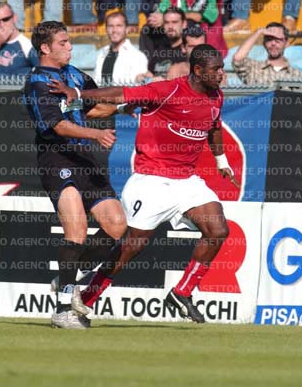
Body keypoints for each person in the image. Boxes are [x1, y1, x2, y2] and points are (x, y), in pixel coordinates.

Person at [47, 44, 238, 324]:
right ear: (197, 70)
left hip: (187, 180)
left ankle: (182, 292)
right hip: (152, 179)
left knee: (218, 229)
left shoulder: (216, 96)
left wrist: (221, 161)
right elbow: (120, 94)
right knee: (130, 247)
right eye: (216, 69)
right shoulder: (167, 90)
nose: (222, 73)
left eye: (222, 68)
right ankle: (81, 291)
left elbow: (215, 127)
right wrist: (79, 94)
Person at [23, 20, 128, 329]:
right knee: (77, 230)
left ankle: (67, 277)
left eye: (69, 42)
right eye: (63, 42)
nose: (70, 47)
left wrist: (125, 107)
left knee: (117, 224)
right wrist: (96, 135)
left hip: (84, 157)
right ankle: (61, 311)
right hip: (57, 159)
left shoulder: (76, 76)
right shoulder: (37, 82)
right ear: (45, 48)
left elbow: (93, 108)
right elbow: (57, 125)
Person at [0, 3, 38, 78]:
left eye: (5, 19)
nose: (1, 25)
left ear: (14, 18)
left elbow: (43, 74)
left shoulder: (27, 45)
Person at [231, 22, 302, 85]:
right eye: (269, 39)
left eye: (278, 40)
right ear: (264, 43)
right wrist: (258, 32)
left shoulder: (297, 74)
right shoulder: (253, 68)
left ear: (287, 43)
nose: (273, 43)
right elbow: (238, 58)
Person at [93, 11, 149, 84]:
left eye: (119, 26)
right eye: (110, 26)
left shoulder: (137, 56)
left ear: (127, 29)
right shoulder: (102, 53)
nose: (114, 30)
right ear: (106, 29)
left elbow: (139, 83)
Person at [138, 6, 188, 76]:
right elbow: (150, 73)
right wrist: (144, 77)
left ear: (184, 24)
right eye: (166, 22)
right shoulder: (159, 50)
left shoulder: (187, 51)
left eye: (174, 22)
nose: (170, 26)